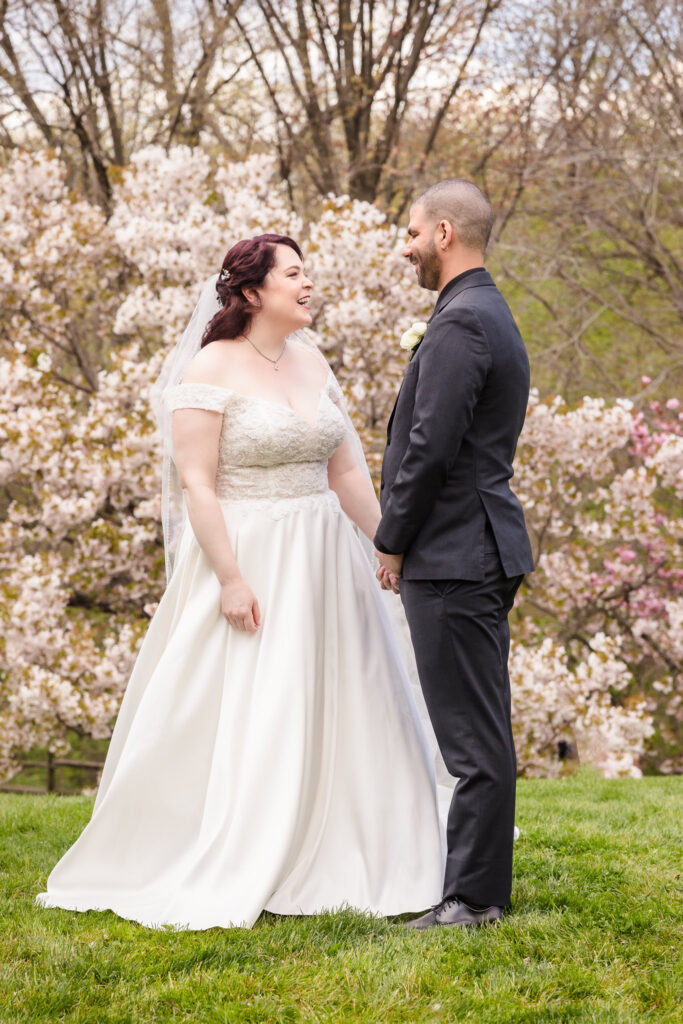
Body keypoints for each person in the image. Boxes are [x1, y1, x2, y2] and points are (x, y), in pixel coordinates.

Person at [37, 234, 445, 930]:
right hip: (250, 552)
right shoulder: (211, 366)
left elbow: (343, 471)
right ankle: (247, 839)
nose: (309, 283)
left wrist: (388, 544)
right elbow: (196, 483)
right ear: (252, 293)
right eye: (294, 274)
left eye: (307, 270)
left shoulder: (312, 361)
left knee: (351, 687)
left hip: (323, 552)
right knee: (262, 694)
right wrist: (229, 578)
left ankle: (367, 835)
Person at [374, 181, 534, 929]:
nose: (403, 247)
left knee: (470, 739)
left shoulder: (461, 324)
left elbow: (428, 450)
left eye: (410, 233)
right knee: (482, 728)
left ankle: (471, 901)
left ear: (443, 233)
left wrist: (392, 539)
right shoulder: (484, 312)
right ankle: (480, 890)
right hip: (477, 544)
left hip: (454, 554)